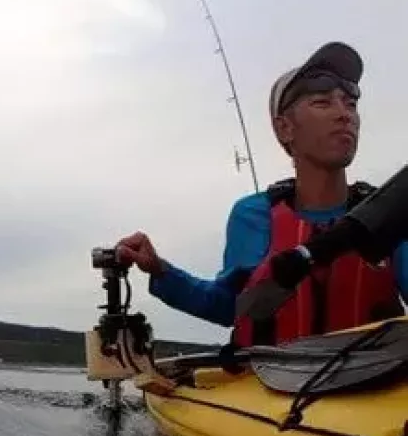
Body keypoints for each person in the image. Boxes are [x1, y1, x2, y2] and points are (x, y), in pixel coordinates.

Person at [115, 41, 408, 346]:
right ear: (285, 129)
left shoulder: (389, 213)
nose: (344, 114)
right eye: (323, 103)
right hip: (273, 384)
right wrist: (160, 269)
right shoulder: (254, 215)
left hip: (376, 382)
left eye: (350, 104)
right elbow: (231, 307)